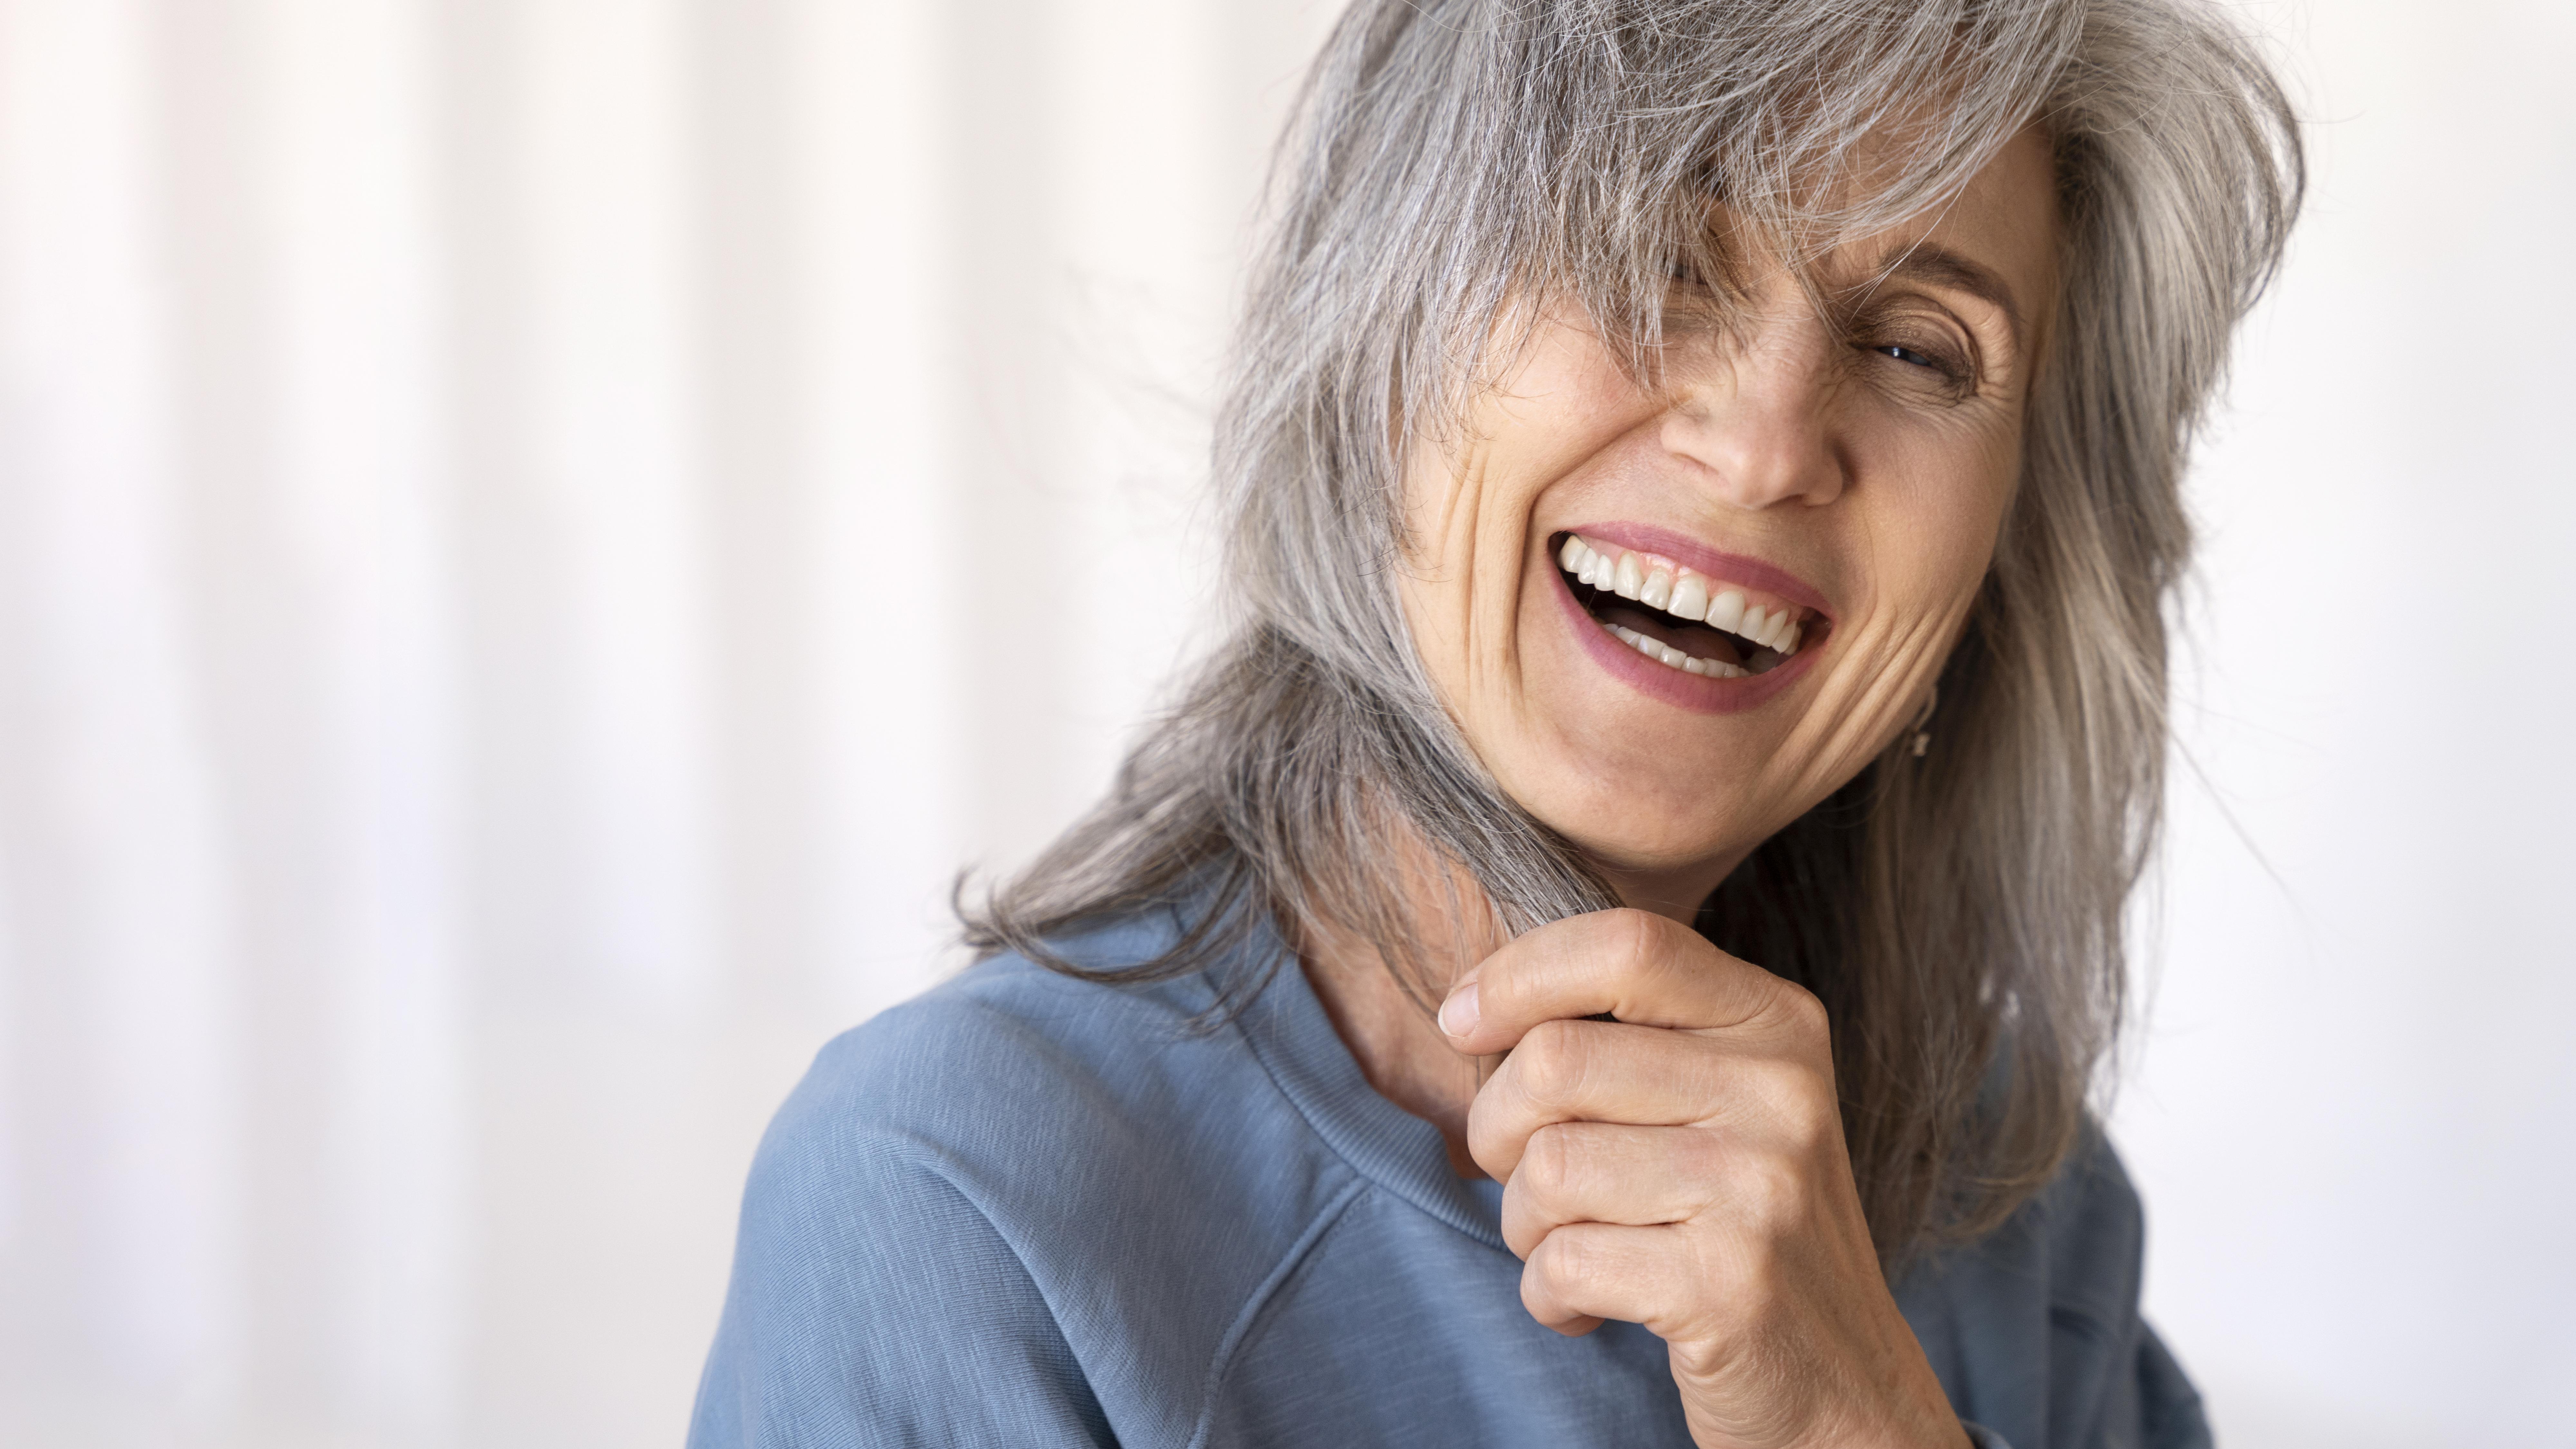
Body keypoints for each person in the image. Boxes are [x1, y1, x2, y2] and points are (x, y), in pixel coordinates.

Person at [689, 0, 2299, 1443]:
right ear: (1377, 323)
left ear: (2012, 546)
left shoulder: (2014, 1196)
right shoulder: (955, 1202)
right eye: (1651, 254)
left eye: (1913, 347)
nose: (1763, 446)